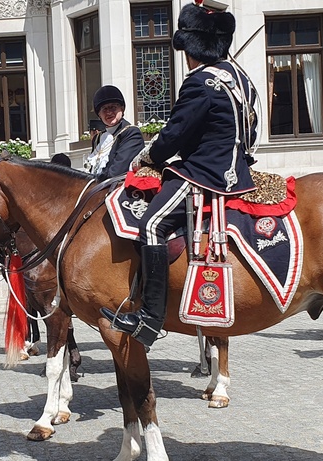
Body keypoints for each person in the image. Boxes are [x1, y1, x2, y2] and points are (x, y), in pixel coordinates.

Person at [101, 3, 259, 347]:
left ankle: (150, 318)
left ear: (193, 49)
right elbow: (252, 132)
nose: (185, 57)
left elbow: (174, 136)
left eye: (186, 50)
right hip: (239, 173)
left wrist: (147, 156)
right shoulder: (241, 80)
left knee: (152, 225)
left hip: (204, 174)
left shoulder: (200, 82)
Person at [82, 85, 146, 181]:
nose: (109, 112)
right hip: (96, 189)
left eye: (113, 107)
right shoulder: (97, 139)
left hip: (119, 189)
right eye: (104, 109)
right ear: (99, 114)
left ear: (122, 109)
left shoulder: (131, 133)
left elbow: (117, 172)